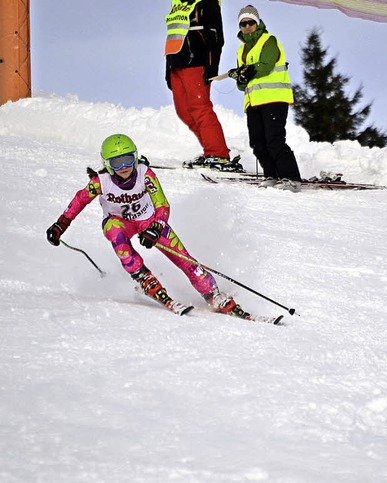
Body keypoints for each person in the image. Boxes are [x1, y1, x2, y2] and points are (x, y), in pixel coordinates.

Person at [45, 134, 244, 317]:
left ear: (136, 157)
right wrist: (61, 225)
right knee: (114, 232)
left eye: (128, 159)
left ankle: (213, 294)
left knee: (184, 259)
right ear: (107, 164)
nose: (124, 166)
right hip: (120, 223)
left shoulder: (145, 174)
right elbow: (79, 201)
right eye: (116, 162)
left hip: (148, 220)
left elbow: (162, 204)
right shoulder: (100, 182)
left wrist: (156, 228)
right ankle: (145, 279)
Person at [228, 5, 302, 192]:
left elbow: (266, 65)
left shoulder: (269, 41)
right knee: (257, 142)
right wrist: (240, 77)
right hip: (253, 102)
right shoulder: (241, 51)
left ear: (257, 22)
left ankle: (291, 177)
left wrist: (247, 71)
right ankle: (272, 174)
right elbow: (241, 85)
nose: (247, 26)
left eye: (250, 22)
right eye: (243, 23)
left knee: (274, 139)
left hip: (274, 99)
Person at [165, 0, 241, 172]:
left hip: (197, 60)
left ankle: (218, 153)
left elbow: (216, 35)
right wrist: (168, 68)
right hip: (177, 62)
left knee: (200, 108)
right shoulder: (177, 3)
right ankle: (211, 151)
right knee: (183, 111)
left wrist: (212, 65)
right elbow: (173, 35)